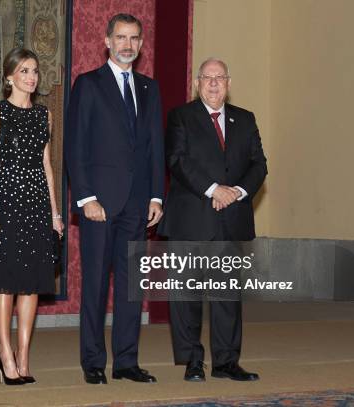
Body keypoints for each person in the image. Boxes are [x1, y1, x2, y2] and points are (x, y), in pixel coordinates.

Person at [65, 14, 164, 384]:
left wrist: (157, 195)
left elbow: (155, 145)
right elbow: (76, 146)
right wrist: (86, 197)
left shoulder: (150, 88)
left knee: (130, 290)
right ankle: (92, 361)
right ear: (107, 41)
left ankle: (126, 362)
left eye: (134, 38)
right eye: (120, 37)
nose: (127, 44)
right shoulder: (88, 84)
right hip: (99, 206)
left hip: (138, 205)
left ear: (141, 44)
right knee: (94, 285)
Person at [157, 57, 267, 382]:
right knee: (186, 296)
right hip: (190, 218)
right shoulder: (181, 117)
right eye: (208, 77)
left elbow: (259, 165)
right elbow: (176, 160)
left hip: (231, 218)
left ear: (229, 83)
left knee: (227, 296)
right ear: (197, 83)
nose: (214, 83)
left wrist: (237, 192)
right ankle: (192, 361)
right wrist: (213, 189)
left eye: (220, 77)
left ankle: (226, 362)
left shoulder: (245, 120)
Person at [0, 47, 64, 385]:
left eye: (35, 71)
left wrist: (55, 213)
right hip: (6, 206)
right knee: (6, 282)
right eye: (24, 71)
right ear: (9, 76)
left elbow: (47, 167)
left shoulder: (44, 115)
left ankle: (24, 356)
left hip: (37, 207)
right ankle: (5, 354)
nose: (31, 77)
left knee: (32, 284)